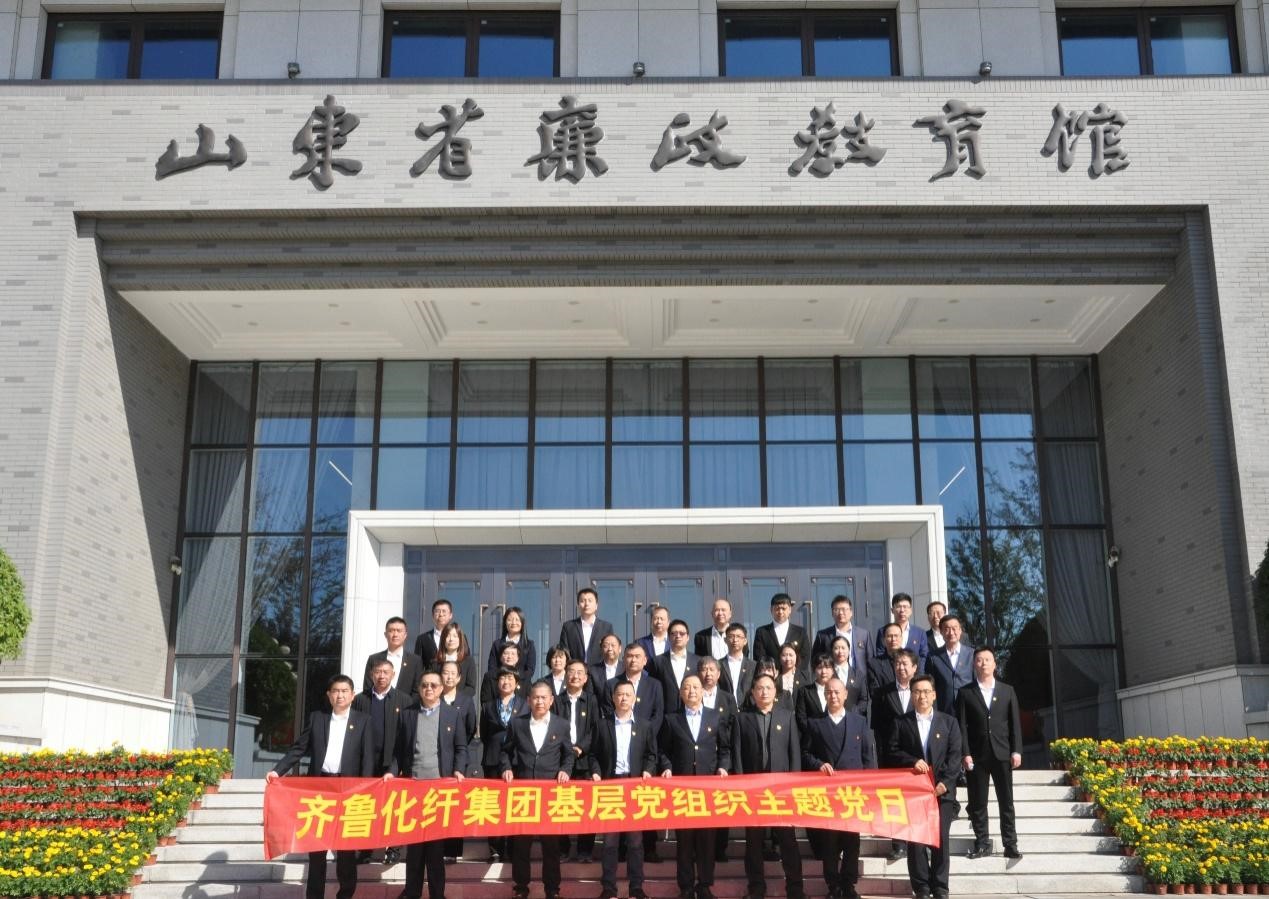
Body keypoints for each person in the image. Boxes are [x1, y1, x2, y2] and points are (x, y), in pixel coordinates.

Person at [267, 674, 376, 899]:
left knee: (346, 849)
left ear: (352, 695)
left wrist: (365, 788)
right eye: (335, 691)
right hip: (320, 789)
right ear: (329, 695)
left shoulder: (364, 720)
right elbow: (299, 748)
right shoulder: (318, 718)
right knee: (316, 848)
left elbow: (368, 758)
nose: (340, 695)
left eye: (344, 691)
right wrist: (278, 770)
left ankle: (345, 894)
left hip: (348, 790)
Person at [394, 671, 469, 899]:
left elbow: (461, 748)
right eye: (425, 685)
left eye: (434, 685)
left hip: (440, 789)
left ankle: (438, 894)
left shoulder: (452, 714)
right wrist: (391, 773)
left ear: (441, 689)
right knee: (414, 849)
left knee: (436, 850)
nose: (429, 689)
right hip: (414, 788)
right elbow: (399, 751)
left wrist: (458, 770)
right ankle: (412, 893)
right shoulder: (407, 714)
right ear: (419, 688)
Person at [801, 677, 876, 899]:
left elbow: (867, 757)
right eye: (829, 692)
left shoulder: (859, 722)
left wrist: (870, 787)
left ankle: (849, 885)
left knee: (852, 840)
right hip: (828, 792)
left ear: (845, 695)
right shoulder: (815, 723)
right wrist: (818, 764)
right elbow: (805, 753)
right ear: (824, 695)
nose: (833, 696)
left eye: (837, 692)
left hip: (853, 792)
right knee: (830, 841)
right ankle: (833, 886)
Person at [731, 674, 804, 899]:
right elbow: (737, 755)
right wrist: (740, 785)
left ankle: (795, 889)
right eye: (760, 688)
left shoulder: (787, 716)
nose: (764, 692)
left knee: (788, 841)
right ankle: (756, 888)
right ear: (753, 693)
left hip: (781, 790)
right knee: (753, 841)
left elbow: (794, 753)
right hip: (753, 791)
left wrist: (794, 785)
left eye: (769, 688)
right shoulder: (742, 719)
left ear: (775, 693)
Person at [889, 674, 962, 899]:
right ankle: (921, 886)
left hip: (941, 791)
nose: (922, 696)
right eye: (917, 692)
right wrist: (912, 761)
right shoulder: (901, 723)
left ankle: (940, 886)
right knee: (916, 840)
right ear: (912, 696)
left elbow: (954, 756)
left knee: (940, 839)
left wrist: (945, 783)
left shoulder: (949, 722)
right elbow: (892, 751)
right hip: (914, 792)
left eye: (926, 691)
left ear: (934, 695)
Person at [659, 674, 731, 899]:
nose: (692, 691)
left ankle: (705, 885)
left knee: (707, 839)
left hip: (708, 789)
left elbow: (725, 749)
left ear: (703, 691)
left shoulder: (714, 717)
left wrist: (723, 767)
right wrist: (667, 767)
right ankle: (686, 887)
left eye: (696, 687)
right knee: (685, 840)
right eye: (687, 687)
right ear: (681, 693)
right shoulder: (672, 719)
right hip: (682, 789)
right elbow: (663, 751)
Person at [501, 680, 574, 899]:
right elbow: (505, 752)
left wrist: (565, 770)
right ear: (528, 700)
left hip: (551, 793)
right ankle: (521, 887)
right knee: (521, 844)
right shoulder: (517, 724)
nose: (540, 701)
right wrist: (506, 768)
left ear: (551, 700)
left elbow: (568, 755)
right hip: (524, 792)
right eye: (536, 697)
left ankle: (552, 889)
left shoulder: (561, 725)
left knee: (551, 845)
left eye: (544, 697)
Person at [592, 681, 658, 899]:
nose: (623, 698)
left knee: (635, 841)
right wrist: (596, 772)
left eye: (628, 695)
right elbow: (593, 755)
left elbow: (651, 755)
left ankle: (636, 887)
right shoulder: (602, 725)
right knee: (610, 841)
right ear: (613, 698)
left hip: (635, 785)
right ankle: (608, 887)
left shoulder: (644, 725)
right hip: (611, 785)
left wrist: (648, 770)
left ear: (634, 698)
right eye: (619, 694)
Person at [957, 647, 1023, 860]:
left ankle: (1010, 844)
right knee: (978, 802)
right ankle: (982, 843)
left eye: (987, 659)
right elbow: (961, 726)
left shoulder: (1007, 690)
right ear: (973, 664)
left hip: (1002, 753)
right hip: (977, 755)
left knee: (1006, 801)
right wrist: (965, 753)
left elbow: (1014, 723)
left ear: (995, 664)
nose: (983, 663)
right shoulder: (965, 692)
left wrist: (1016, 750)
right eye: (979, 660)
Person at [605, 642, 666, 862]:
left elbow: (658, 713)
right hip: (619, 750)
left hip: (645, 749)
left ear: (645, 660)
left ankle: (649, 848)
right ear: (624, 659)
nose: (633, 660)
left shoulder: (655, 685)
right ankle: (620, 850)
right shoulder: (612, 684)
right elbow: (607, 712)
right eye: (629, 656)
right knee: (618, 806)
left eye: (637, 656)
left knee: (644, 805)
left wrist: (644, 734)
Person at [352, 659, 407, 864]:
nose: (381, 676)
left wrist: (401, 764)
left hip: (393, 762)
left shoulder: (404, 700)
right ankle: (365, 849)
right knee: (367, 805)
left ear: (393, 675)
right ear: (371, 675)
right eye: (378, 672)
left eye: (385, 672)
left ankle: (393, 849)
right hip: (366, 762)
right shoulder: (360, 700)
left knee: (393, 807)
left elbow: (407, 735)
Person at [871, 648, 920, 863]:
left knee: (917, 802)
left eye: (905, 664)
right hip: (892, 755)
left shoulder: (922, 690)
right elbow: (877, 728)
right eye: (897, 664)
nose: (901, 668)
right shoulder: (882, 693)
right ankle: (898, 844)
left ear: (914, 667)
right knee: (895, 802)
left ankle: (919, 844)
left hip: (918, 757)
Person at [555, 659, 600, 861]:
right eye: (571, 671)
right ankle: (563, 849)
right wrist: (568, 750)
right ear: (565, 675)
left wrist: (580, 747)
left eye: (580, 672)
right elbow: (553, 728)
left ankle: (585, 850)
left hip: (585, 760)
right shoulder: (557, 701)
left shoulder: (592, 700)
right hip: (561, 761)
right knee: (561, 806)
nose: (575, 676)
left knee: (587, 806)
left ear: (586, 678)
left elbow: (595, 729)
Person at [479, 667, 524, 863]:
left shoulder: (524, 705)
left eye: (510, 678)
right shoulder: (488, 706)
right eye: (502, 678)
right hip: (492, 760)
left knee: (515, 805)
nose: (506, 681)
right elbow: (485, 734)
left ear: (516, 682)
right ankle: (495, 849)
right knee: (494, 805)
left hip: (517, 761)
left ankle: (514, 848)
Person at [438, 659, 477, 861]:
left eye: (453, 673)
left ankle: (453, 851)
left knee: (455, 805)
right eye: (446, 672)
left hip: (459, 759)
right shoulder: (434, 698)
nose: (449, 677)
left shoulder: (466, 700)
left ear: (459, 678)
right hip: (436, 759)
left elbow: (471, 728)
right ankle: (436, 848)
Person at [811, 595, 872, 697]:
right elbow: (815, 660)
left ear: (851, 612)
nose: (841, 613)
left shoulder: (863, 634)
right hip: (831, 686)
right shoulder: (823, 635)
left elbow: (870, 660)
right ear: (832, 613)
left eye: (844, 609)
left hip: (858, 684)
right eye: (836, 610)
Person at [364, 616, 426, 702]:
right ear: (385, 634)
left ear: (405, 635)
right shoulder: (374, 659)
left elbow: (417, 690)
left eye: (399, 631)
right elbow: (368, 687)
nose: (395, 634)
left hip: (406, 708)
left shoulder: (415, 661)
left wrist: (407, 706)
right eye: (391, 631)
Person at [927, 614, 973, 717]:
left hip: (969, 710)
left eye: (954, 628)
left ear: (960, 630)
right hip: (945, 711)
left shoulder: (972, 654)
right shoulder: (933, 657)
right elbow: (931, 686)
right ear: (941, 632)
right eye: (947, 629)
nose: (951, 633)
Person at [559, 587, 615, 667]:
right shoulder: (568, 627)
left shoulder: (606, 627)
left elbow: (610, 651)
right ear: (578, 605)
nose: (586, 604)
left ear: (596, 605)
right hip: (575, 671)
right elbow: (564, 652)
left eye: (590, 601)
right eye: (582, 601)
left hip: (599, 671)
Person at [654, 618, 699, 713]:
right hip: (666, 715)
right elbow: (654, 691)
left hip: (691, 714)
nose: (678, 636)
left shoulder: (697, 661)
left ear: (688, 637)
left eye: (682, 633)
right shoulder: (658, 661)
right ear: (669, 637)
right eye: (674, 633)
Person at [753, 593, 808, 668]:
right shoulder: (762, 632)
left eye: (783, 608)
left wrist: (793, 672)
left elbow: (805, 657)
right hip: (770, 674)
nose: (780, 612)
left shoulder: (800, 632)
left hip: (794, 674)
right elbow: (759, 657)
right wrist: (771, 672)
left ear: (790, 610)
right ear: (771, 610)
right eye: (777, 609)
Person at [874, 592, 928, 667]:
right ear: (892, 610)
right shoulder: (883, 631)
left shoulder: (920, 633)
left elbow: (923, 656)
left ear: (911, 610)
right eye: (898, 607)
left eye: (905, 607)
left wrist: (918, 672)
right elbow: (880, 654)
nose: (902, 610)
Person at [487, 606, 536, 683]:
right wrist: (503, 680)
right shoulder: (497, 644)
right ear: (505, 622)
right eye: (510, 619)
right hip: (501, 685)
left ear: (522, 622)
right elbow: (492, 669)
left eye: (517, 619)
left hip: (522, 686)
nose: (513, 623)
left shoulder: (529, 645)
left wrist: (513, 680)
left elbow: (530, 670)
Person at [794, 654, 836, 733]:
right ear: (814, 670)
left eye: (827, 667)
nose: (823, 671)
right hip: (811, 736)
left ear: (833, 670)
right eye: (820, 667)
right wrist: (817, 731)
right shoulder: (804, 691)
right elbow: (801, 718)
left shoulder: (838, 690)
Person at [435, 621, 477, 694]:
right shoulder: (435, 662)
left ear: (460, 639)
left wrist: (454, 697)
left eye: (455, 636)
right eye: (448, 636)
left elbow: (471, 688)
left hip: (462, 700)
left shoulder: (468, 661)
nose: (451, 639)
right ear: (443, 639)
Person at [718, 623, 755, 705]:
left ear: (745, 641)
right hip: (725, 708)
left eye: (739, 636)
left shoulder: (753, 666)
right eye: (731, 636)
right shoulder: (718, 665)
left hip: (748, 709)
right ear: (725, 640)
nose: (735, 640)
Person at [414, 599, 453, 666]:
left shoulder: (459, 637)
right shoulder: (422, 639)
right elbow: (417, 665)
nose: (441, 614)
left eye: (444, 611)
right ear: (433, 615)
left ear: (450, 615)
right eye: (437, 611)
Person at [867, 623, 904, 695]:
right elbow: (874, 692)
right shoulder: (874, 664)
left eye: (896, 636)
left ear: (901, 638)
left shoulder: (911, 660)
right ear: (884, 640)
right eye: (889, 636)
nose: (893, 639)